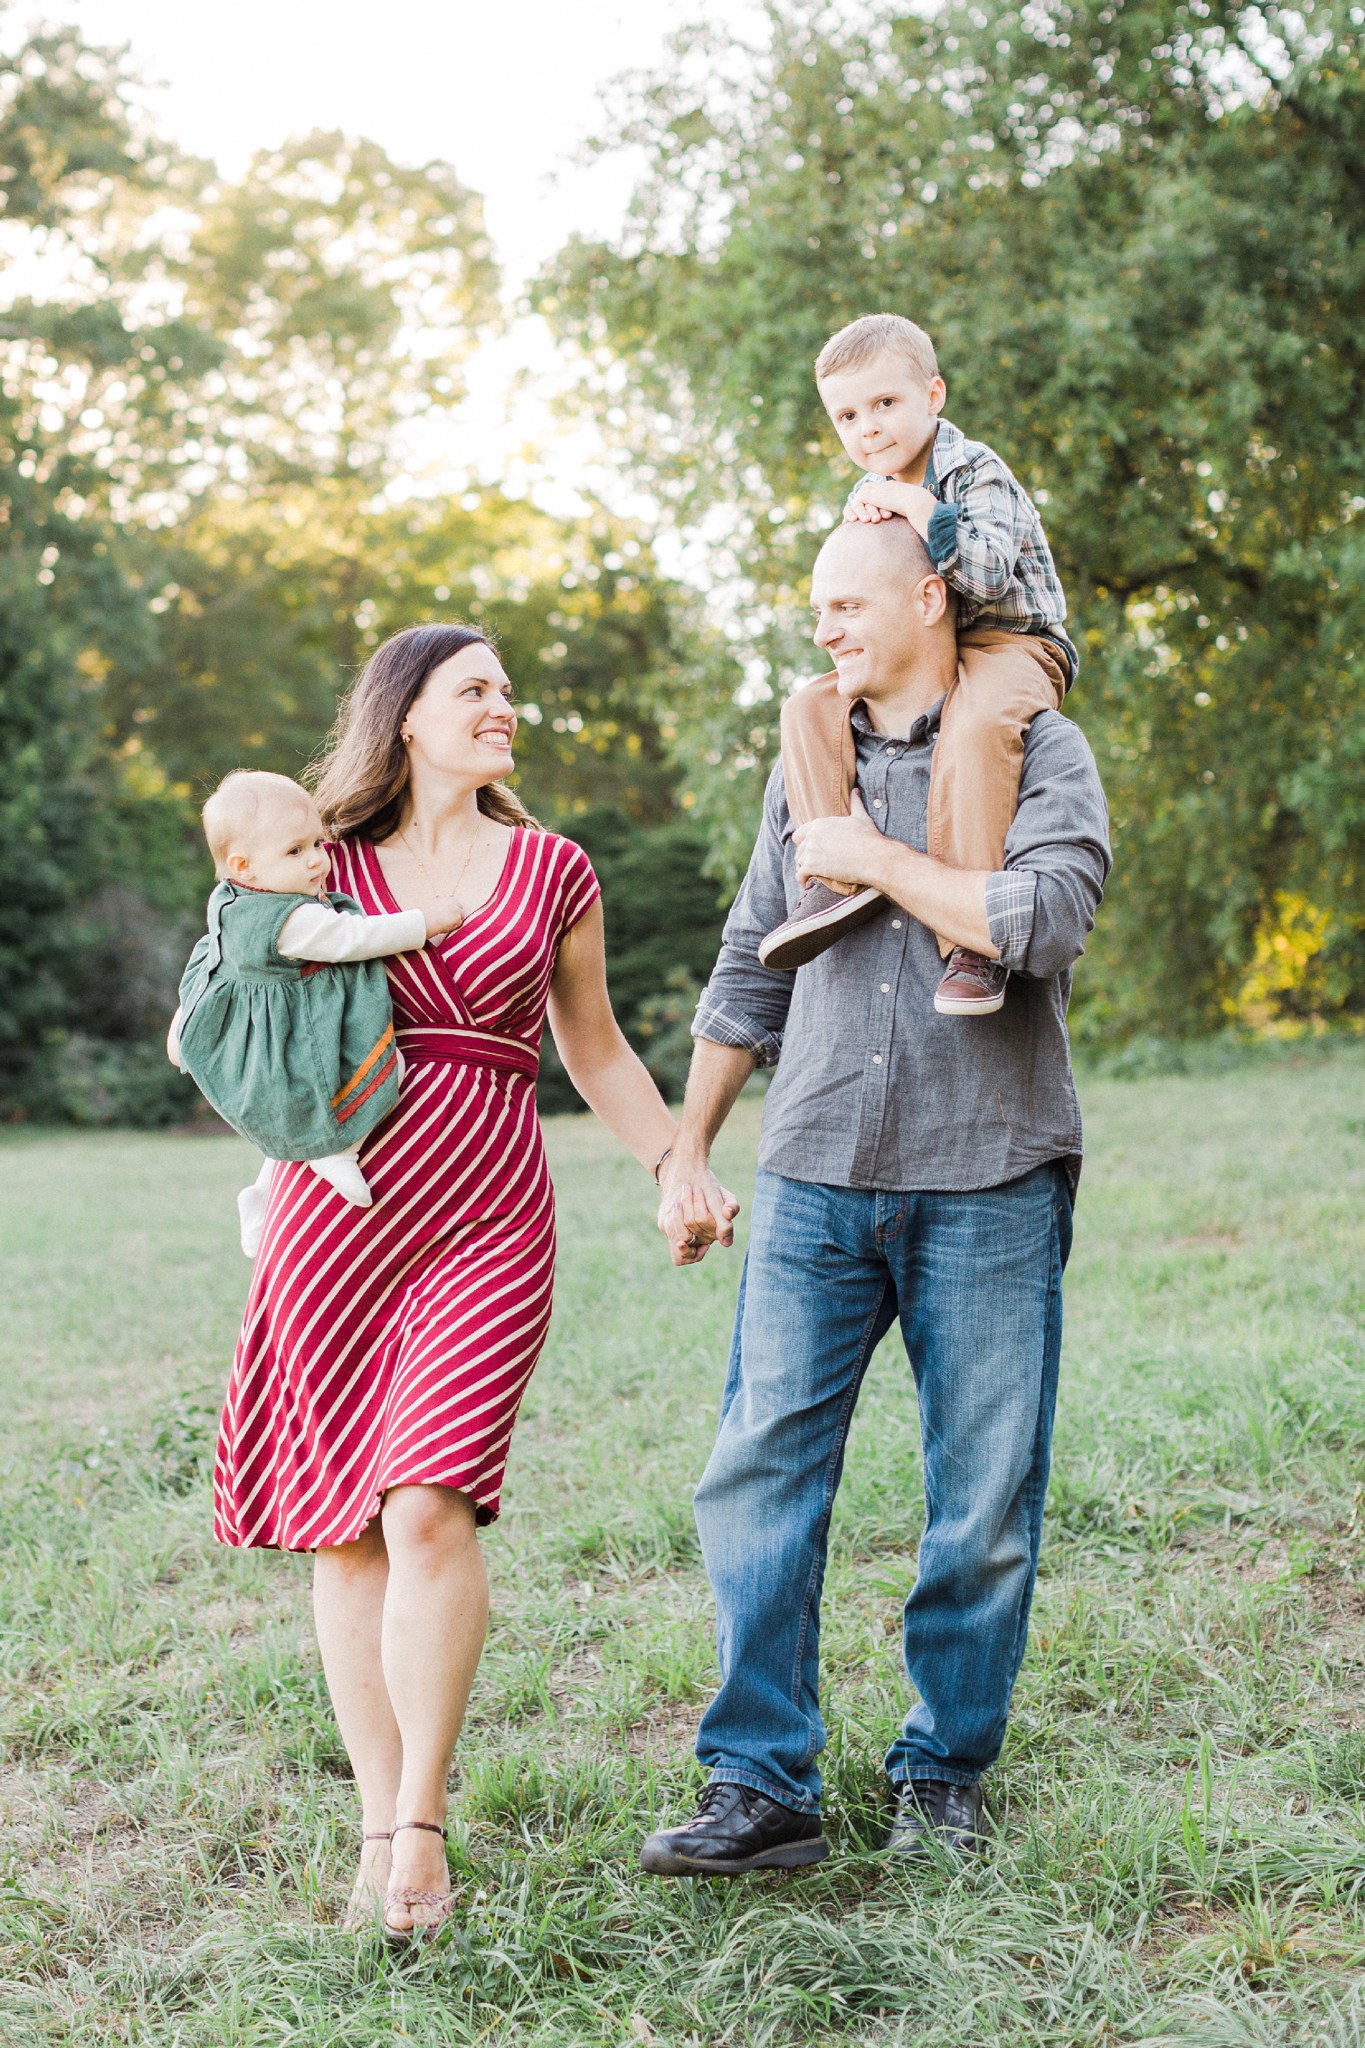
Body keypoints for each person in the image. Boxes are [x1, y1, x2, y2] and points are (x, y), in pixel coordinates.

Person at [212, 622, 724, 1940]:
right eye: (477, 689)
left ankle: (425, 1827)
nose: (506, 705)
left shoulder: (552, 867)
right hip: (343, 1211)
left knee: (429, 1501)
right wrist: (273, 1172)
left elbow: (597, 1051)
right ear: (406, 714)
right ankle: (377, 1826)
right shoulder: (314, 862)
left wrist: (678, 1163)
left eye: (507, 689)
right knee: (344, 1523)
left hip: (489, 1212)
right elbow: (234, 1017)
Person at [646, 514, 1110, 1874]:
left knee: (980, 1496)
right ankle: (758, 1782)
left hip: (990, 1169)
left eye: (849, 604)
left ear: (926, 597)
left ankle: (942, 1773)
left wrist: (881, 860)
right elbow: (749, 966)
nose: (829, 629)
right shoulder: (809, 761)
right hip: (813, 1173)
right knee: (758, 1477)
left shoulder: (1039, 747)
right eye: (815, 611)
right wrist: (689, 1149)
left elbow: (1043, 922)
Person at [759, 312, 1079, 1024]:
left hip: (1012, 642)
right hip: (937, 643)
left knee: (975, 725)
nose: (866, 428)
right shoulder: (860, 497)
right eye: (846, 415)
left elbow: (990, 575)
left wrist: (914, 503)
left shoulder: (972, 468)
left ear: (931, 396)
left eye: (884, 403)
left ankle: (972, 942)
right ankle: (835, 872)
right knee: (806, 708)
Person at [168, 770, 468, 1256]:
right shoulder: (291, 919)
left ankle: (262, 1194)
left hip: (268, 1018)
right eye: (294, 852)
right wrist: (424, 922)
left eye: (315, 844)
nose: (315, 861)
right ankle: (338, 1149)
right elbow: (355, 939)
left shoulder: (235, 899)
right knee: (378, 1074)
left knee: (287, 1122)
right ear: (243, 866)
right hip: (294, 1029)